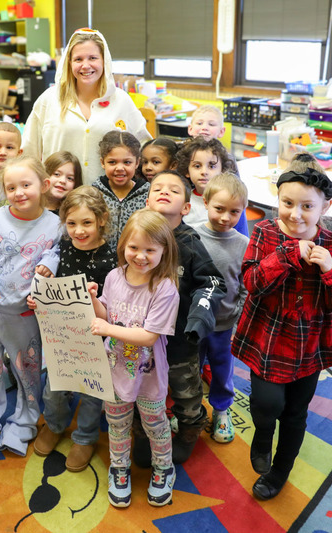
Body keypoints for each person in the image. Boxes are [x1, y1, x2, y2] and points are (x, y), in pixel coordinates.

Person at [232, 155, 332, 500]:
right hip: (268, 337)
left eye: (307, 206)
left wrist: (331, 269)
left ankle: (280, 471)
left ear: (324, 207)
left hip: (311, 344)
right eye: (287, 203)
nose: (295, 214)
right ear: (277, 201)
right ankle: (261, 432)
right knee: (266, 403)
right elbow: (252, 282)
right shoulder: (264, 233)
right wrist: (286, 255)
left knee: (295, 412)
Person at [0, 155, 62, 463]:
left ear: (44, 185)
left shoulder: (55, 225)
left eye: (26, 185)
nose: (19, 192)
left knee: (29, 374)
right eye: (11, 187)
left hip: (26, 317)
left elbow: (62, 252)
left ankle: (23, 424)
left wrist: (51, 261)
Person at [89, 209, 180, 508]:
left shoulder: (164, 288)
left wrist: (107, 328)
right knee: (116, 423)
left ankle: (164, 468)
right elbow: (104, 312)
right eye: (134, 248)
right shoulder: (114, 276)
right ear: (123, 246)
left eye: (150, 250)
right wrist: (92, 300)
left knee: (155, 424)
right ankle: (119, 467)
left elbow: (149, 336)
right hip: (114, 370)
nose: (140, 256)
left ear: (164, 251)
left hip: (149, 375)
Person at [30, 186, 116, 472]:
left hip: (97, 337)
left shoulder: (113, 258)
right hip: (62, 337)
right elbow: (50, 289)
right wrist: (37, 299)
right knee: (54, 389)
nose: (79, 230)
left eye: (87, 223)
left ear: (102, 219)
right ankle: (54, 425)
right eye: (71, 223)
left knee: (93, 393)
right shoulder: (62, 248)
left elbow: (116, 304)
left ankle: (85, 437)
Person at [144, 170, 226, 464]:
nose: (164, 191)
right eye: (157, 188)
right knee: (142, 391)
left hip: (180, 341)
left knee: (187, 397)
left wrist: (198, 321)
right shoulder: (136, 235)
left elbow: (214, 283)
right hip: (140, 341)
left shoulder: (190, 243)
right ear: (147, 200)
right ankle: (143, 433)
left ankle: (190, 430)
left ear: (187, 208)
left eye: (174, 190)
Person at [22, 28, 152, 186]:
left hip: (107, 200)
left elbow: (143, 148)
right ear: (69, 63)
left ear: (104, 61)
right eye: (78, 59)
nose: (85, 65)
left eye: (92, 58)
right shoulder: (49, 99)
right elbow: (30, 151)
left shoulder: (121, 101)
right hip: (58, 199)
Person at [193, 173, 250, 443]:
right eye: (219, 209)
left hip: (225, 324)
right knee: (190, 366)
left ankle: (222, 409)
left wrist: (238, 318)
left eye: (234, 211)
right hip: (193, 322)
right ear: (205, 202)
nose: (226, 217)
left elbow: (245, 286)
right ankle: (188, 408)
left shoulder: (244, 245)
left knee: (222, 367)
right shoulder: (191, 237)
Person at [92, 131, 149, 250]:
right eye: (112, 162)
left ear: (137, 163)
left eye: (127, 162)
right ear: (103, 163)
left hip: (136, 260)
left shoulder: (148, 194)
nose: (119, 168)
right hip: (101, 262)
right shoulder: (93, 194)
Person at [177, 137, 243, 233]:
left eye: (212, 166)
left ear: (222, 170)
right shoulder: (182, 200)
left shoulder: (231, 201)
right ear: (187, 170)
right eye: (197, 166)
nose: (204, 172)